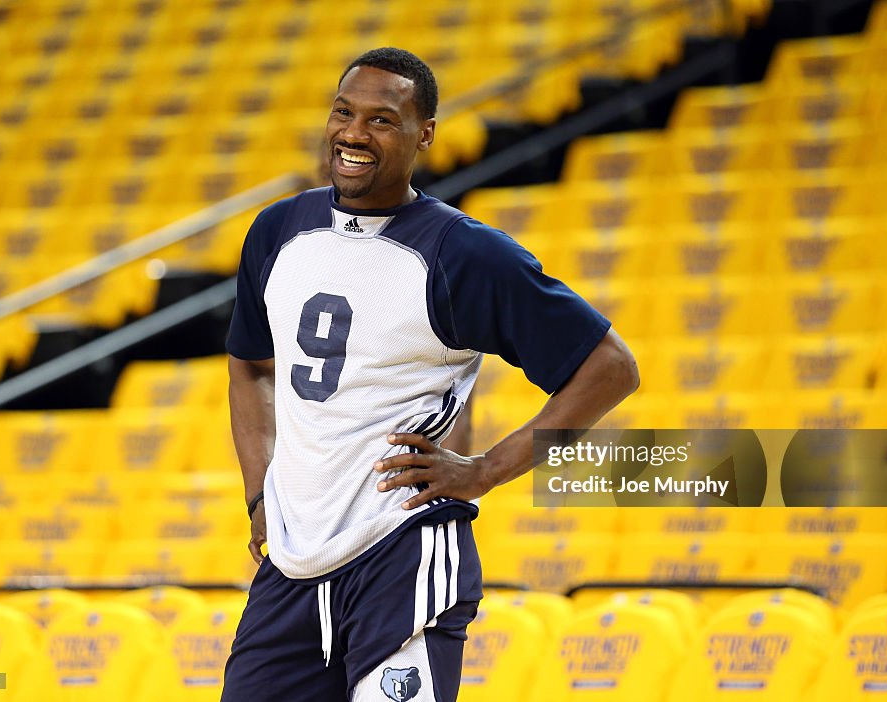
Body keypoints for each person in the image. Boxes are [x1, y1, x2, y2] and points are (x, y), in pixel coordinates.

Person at [222, 47, 639, 702]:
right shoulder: (277, 231)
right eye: (343, 113)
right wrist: (258, 493)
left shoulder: (462, 253)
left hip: (403, 554)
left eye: (382, 120)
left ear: (425, 134)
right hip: (292, 566)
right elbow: (249, 366)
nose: (354, 134)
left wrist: (484, 471)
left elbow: (610, 368)